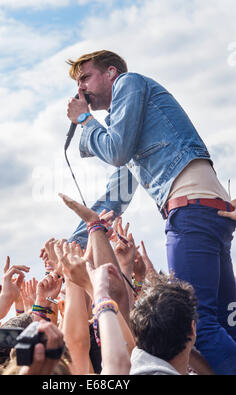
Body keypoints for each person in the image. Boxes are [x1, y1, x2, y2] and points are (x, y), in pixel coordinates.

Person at [66, 50, 236, 374]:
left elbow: (115, 150)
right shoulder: (131, 130)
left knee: (199, 324)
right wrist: (74, 241)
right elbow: (114, 199)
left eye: (85, 77)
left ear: (111, 73)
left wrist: (85, 120)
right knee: (226, 323)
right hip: (205, 210)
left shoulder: (129, 84)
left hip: (190, 210)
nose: (80, 90)